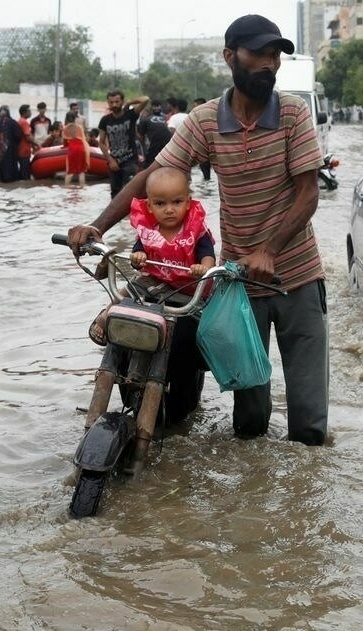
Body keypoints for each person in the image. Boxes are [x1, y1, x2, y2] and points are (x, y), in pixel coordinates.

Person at [66, 14, 328, 446]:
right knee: (250, 422)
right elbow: (154, 175)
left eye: (275, 55)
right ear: (230, 57)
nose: (269, 63)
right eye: (258, 54)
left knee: (309, 426)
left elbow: (308, 195)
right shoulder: (207, 120)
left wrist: (269, 249)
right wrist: (95, 227)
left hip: (298, 277)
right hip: (238, 285)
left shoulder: (294, 114)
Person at [89, 166, 216, 345]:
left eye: (177, 202)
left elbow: (208, 255)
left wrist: (204, 268)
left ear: (188, 203)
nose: (169, 209)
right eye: (160, 204)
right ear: (149, 206)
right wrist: (138, 258)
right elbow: (138, 253)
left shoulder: (196, 231)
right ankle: (106, 314)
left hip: (189, 286)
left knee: (207, 323)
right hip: (156, 281)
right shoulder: (148, 230)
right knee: (132, 286)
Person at [98, 90, 150, 198]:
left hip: (130, 160)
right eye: (111, 102)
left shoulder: (131, 115)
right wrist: (110, 160)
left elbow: (146, 99)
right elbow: (101, 143)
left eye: (117, 102)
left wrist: (130, 103)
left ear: (122, 101)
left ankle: (133, 213)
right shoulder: (105, 120)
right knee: (115, 194)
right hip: (114, 161)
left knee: (131, 191)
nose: (114, 105)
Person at [137, 101, 171, 168]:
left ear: (160, 106)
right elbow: (141, 136)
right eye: (155, 106)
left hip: (165, 145)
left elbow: (141, 136)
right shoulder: (145, 119)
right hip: (155, 145)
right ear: (151, 107)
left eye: (158, 106)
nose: (156, 108)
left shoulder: (166, 117)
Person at [62, 111, 89, 187]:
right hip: (81, 148)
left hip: (72, 149)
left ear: (66, 118)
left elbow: (64, 143)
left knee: (70, 171)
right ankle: (82, 186)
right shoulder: (79, 127)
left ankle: (66, 187)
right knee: (81, 171)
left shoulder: (65, 128)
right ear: (75, 118)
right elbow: (83, 139)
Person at [191, 97, 212, 181]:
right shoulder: (198, 116)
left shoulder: (205, 116)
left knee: (206, 173)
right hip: (203, 148)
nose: (193, 108)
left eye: (195, 105)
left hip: (206, 149)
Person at [0, 105, 22, 182]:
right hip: (11, 150)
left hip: (2, 151)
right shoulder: (13, 123)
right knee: (11, 167)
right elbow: (18, 136)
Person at [16, 104, 35, 179]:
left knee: (23, 171)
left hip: (22, 150)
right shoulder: (24, 122)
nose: (30, 112)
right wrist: (36, 144)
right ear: (24, 112)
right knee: (25, 174)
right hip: (24, 151)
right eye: (29, 111)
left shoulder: (20, 121)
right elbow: (28, 138)